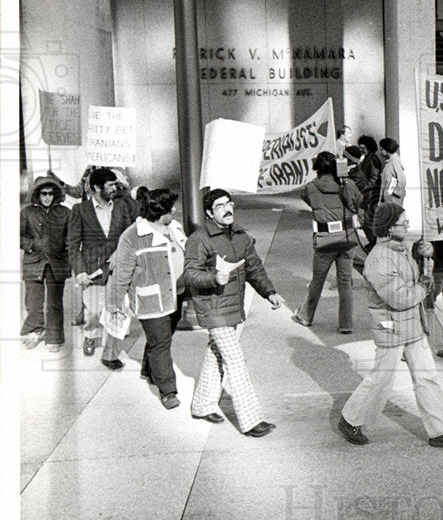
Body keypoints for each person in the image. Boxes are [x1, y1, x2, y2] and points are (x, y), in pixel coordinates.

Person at [338, 203, 443, 450]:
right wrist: (425, 283)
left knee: (426, 376)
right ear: (387, 227)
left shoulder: (399, 249)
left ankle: (440, 430)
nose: (407, 225)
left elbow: (411, 278)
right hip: (390, 326)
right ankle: (350, 419)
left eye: (406, 221)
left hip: (412, 325)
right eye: (402, 222)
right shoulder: (379, 260)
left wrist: (421, 255)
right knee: (382, 378)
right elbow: (400, 298)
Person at [184, 189, 285, 437]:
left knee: (215, 353)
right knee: (236, 361)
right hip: (213, 308)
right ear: (209, 212)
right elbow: (191, 274)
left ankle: (202, 405)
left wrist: (268, 292)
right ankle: (251, 420)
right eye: (220, 206)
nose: (227, 209)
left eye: (229, 204)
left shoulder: (240, 236)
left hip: (231, 306)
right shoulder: (200, 239)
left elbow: (254, 268)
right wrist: (213, 277)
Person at [105, 188, 187, 409]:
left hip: (176, 296)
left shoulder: (174, 227)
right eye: (171, 208)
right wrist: (113, 303)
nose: (175, 210)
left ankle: (148, 369)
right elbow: (122, 273)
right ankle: (168, 391)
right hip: (152, 301)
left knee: (162, 337)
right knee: (161, 344)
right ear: (161, 211)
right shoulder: (132, 237)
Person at [67, 166, 136, 364]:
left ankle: (110, 353)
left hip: (118, 267)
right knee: (94, 311)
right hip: (92, 270)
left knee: (117, 311)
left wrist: (119, 253)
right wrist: (79, 272)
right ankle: (91, 335)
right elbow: (73, 245)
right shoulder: (79, 210)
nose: (115, 188)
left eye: (115, 183)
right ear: (97, 188)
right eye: (111, 185)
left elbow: (130, 235)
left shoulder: (122, 206)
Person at [291, 151, 363, 333]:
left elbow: (308, 200)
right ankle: (346, 324)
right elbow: (357, 202)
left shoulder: (310, 187)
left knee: (317, 281)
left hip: (324, 240)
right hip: (346, 238)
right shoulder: (348, 185)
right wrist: (345, 181)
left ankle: (306, 316)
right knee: (345, 282)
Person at [20, 176, 72, 352]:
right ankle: (35, 330)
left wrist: (64, 250)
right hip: (34, 262)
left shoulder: (65, 212)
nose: (48, 197)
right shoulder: (27, 213)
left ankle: (54, 337)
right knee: (33, 301)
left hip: (56, 263)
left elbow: (71, 237)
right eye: (44, 193)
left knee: (54, 302)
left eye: (51, 193)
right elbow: (17, 236)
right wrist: (33, 245)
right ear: (37, 194)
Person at [353, 134, 383, 246]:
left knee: (368, 221)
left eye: (363, 148)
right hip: (368, 194)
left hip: (371, 195)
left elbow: (373, 179)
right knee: (367, 220)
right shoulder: (368, 158)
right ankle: (372, 242)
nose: (361, 150)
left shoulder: (373, 159)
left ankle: (373, 242)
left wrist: (362, 188)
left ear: (369, 147)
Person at [378, 137, 406, 206]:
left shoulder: (394, 161)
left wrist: (396, 194)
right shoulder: (390, 161)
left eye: (381, 149)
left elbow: (402, 180)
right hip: (389, 198)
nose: (380, 152)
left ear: (387, 149)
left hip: (393, 198)